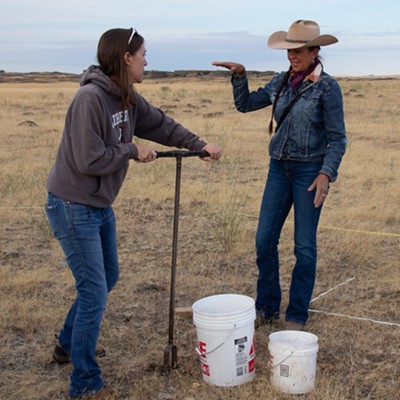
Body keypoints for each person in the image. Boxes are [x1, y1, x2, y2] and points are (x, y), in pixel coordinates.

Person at [45, 27, 221, 399]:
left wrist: (198, 144)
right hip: (72, 205)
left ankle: (66, 345)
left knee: (107, 277)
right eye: (143, 53)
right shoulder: (90, 100)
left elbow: (160, 124)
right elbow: (88, 159)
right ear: (126, 57)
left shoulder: (126, 97)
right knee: (94, 291)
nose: (147, 60)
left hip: (96, 206)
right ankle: (85, 383)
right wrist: (130, 151)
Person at [213, 20, 346, 331]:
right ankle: (267, 308)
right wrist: (240, 76)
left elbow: (337, 138)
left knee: (304, 246)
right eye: (289, 51)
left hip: (309, 173)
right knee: (264, 240)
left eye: (298, 51)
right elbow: (245, 104)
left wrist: (326, 173)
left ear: (315, 51)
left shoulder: (328, 87)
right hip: (278, 169)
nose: (292, 57)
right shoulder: (281, 82)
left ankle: (297, 314)